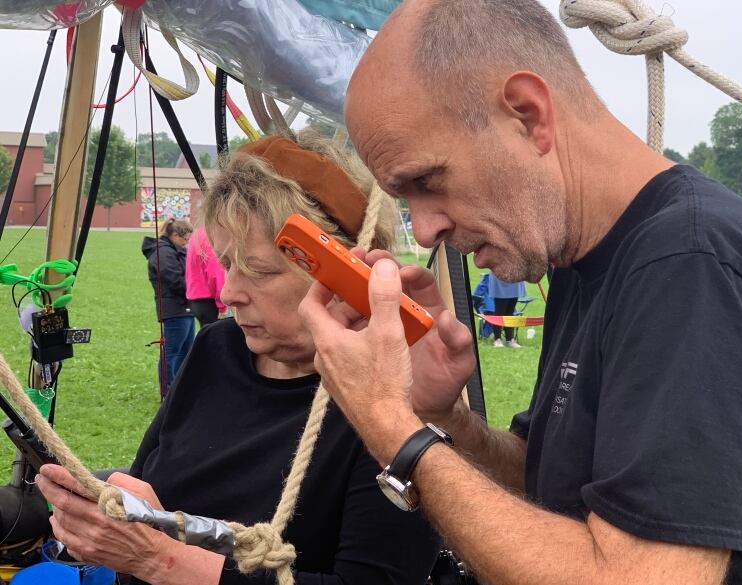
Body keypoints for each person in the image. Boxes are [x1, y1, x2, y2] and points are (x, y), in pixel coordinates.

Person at [297, 1, 742, 584]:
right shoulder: (581, 256)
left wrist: (387, 421)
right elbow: (552, 485)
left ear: (528, 115)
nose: (424, 230)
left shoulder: (689, 264)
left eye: (427, 182)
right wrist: (444, 416)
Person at [36, 130, 441, 585]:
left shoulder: (394, 400)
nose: (228, 294)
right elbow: (150, 475)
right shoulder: (216, 347)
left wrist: (160, 560)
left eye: (259, 271)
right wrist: (125, 509)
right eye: (226, 264)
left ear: (348, 275)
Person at [141, 218, 195, 397]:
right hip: (174, 309)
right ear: (175, 235)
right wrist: (194, 289)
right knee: (171, 352)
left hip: (185, 308)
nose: (186, 243)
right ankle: (168, 392)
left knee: (185, 351)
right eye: (185, 239)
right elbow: (173, 279)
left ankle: (178, 388)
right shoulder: (162, 253)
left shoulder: (174, 250)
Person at [186, 227, 227, 327]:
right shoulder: (210, 234)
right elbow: (215, 272)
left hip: (196, 298)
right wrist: (222, 305)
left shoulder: (198, 234)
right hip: (211, 301)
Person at [487, 272, 523, 348]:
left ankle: (510, 339)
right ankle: (497, 339)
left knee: (510, 311)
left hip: (515, 277)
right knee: (499, 312)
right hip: (501, 277)